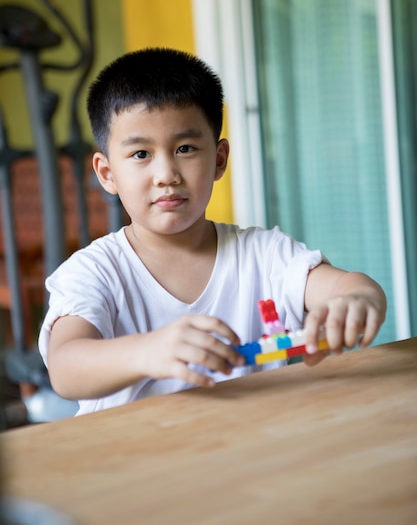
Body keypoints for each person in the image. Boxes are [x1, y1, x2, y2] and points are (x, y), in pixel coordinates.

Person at [39, 47, 386, 415]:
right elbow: (65, 367)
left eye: (185, 148)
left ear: (219, 159)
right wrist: (148, 351)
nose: (166, 174)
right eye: (141, 154)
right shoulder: (93, 272)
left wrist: (357, 301)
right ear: (107, 174)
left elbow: (349, 287)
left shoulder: (264, 255)